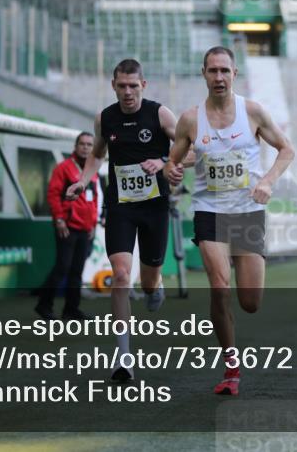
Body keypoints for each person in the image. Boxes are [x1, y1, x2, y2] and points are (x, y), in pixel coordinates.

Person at [164, 46, 294, 396]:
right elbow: (173, 161)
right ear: (203, 74)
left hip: (247, 211)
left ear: (235, 74)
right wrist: (172, 171)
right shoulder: (191, 119)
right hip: (209, 210)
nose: (219, 77)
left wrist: (266, 181)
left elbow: (287, 149)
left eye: (225, 71)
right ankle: (231, 368)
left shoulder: (252, 111)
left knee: (250, 302)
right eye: (212, 71)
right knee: (220, 288)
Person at [66, 59, 185, 383]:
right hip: (120, 206)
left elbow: (186, 147)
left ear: (143, 86)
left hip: (155, 207)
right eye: (122, 86)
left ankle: (154, 285)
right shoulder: (105, 118)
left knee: (147, 280)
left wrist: (162, 161)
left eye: (134, 86)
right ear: (114, 86)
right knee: (120, 276)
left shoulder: (160, 114)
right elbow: (98, 154)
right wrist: (83, 179)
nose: (128, 92)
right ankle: (124, 358)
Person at [36, 131, 101, 321]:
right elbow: (53, 195)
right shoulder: (63, 168)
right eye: (82, 144)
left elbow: (94, 199)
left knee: (77, 271)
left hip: (85, 228)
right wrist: (59, 219)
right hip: (67, 226)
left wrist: (93, 224)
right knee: (62, 267)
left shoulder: (91, 172)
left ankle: (71, 309)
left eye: (90, 145)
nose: (86, 147)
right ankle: (43, 305)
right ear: (75, 146)